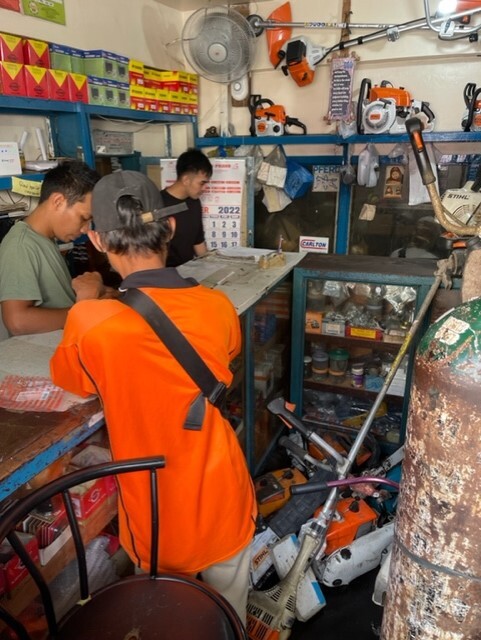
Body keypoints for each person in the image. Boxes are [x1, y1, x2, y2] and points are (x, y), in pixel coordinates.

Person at [50, 171, 257, 624]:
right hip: (223, 495)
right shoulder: (219, 307)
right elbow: (223, 355)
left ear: (97, 240)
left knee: (167, 622)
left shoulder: (90, 322)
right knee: (229, 620)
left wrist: (84, 300)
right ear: (172, 228)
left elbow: (74, 381)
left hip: (157, 513)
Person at [0, 160, 106, 336]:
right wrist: (84, 310)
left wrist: (97, 296)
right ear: (58, 201)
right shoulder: (21, 246)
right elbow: (17, 322)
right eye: (83, 218)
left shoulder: (45, 240)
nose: (86, 229)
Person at [161, 148, 212, 266]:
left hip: (188, 271)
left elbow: (198, 242)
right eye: (202, 183)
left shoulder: (194, 203)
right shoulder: (158, 204)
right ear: (186, 180)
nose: (205, 188)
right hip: (165, 273)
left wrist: (211, 267)